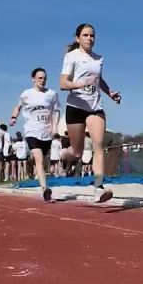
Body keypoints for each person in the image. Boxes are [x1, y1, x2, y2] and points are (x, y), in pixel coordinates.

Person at [60, 23, 122, 201]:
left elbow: (99, 80)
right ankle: (65, 155)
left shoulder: (98, 59)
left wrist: (109, 93)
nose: (89, 38)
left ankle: (98, 187)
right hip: (76, 106)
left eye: (92, 35)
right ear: (78, 38)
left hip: (95, 107)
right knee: (77, 153)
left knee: (98, 145)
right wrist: (78, 84)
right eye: (86, 35)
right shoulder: (71, 57)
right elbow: (63, 83)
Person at [9, 68, 60, 201]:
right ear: (33, 79)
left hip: (46, 132)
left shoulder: (52, 94)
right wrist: (14, 117)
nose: (42, 81)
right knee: (40, 159)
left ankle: (31, 161)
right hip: (32, 130)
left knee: (41, 160)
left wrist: (55, 127)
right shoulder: (26, 94)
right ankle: (44, 189)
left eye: (44, 78)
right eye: (39, 78)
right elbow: (18, 106)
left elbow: (56, 111)